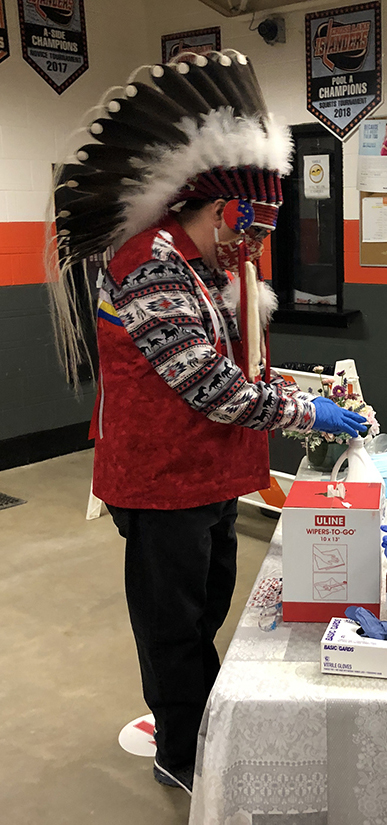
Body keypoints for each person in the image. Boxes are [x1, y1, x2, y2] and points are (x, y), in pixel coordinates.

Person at [46, 51, 366, 795]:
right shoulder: (149, 260)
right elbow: (209, 386)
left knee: (204, 609)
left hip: (207, 478)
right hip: (163, 486)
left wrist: (296, 389)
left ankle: (199, 721)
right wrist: (303, 410)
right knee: (174, 626)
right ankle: (182, 750)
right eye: (249, 227)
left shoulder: (203, 269)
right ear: (219, 204)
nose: (253, 247)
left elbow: (237, 367)